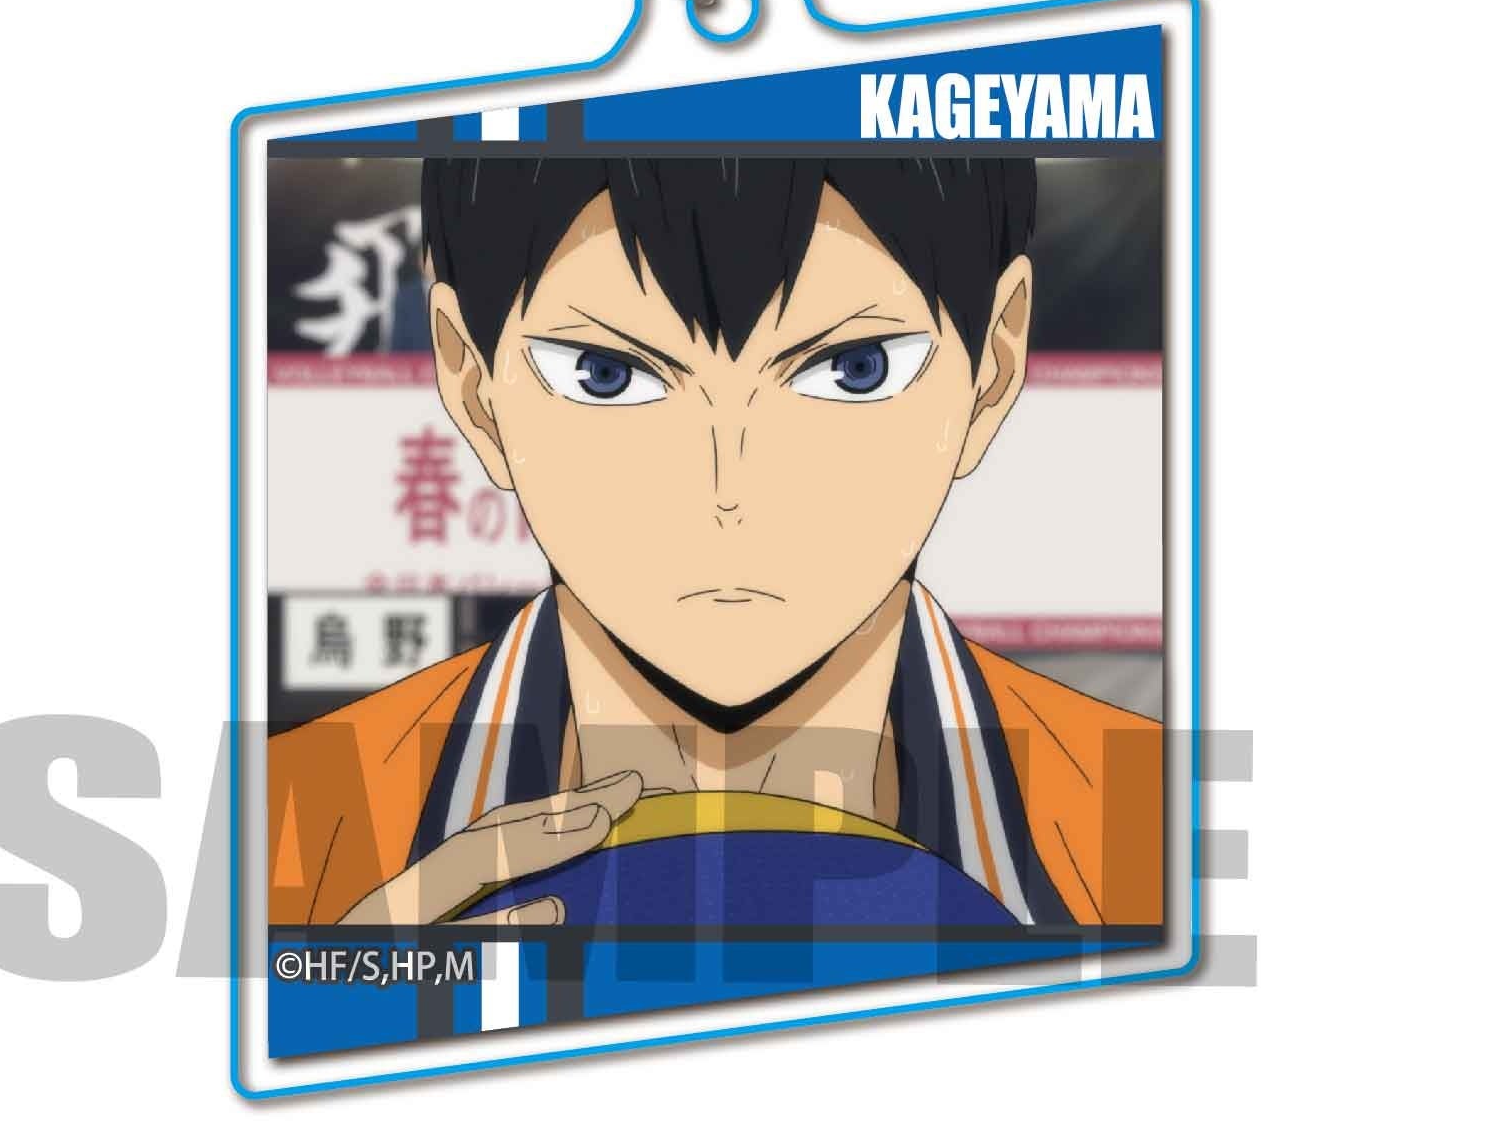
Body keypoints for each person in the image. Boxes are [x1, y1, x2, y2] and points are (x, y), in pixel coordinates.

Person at [268, 158, 1161, 930]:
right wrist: (330, 1014)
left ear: (993, 366)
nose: (730, 492)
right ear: (471, 383)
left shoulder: (1157, 827)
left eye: (854, 370)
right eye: (605, 375)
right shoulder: (281, 832)